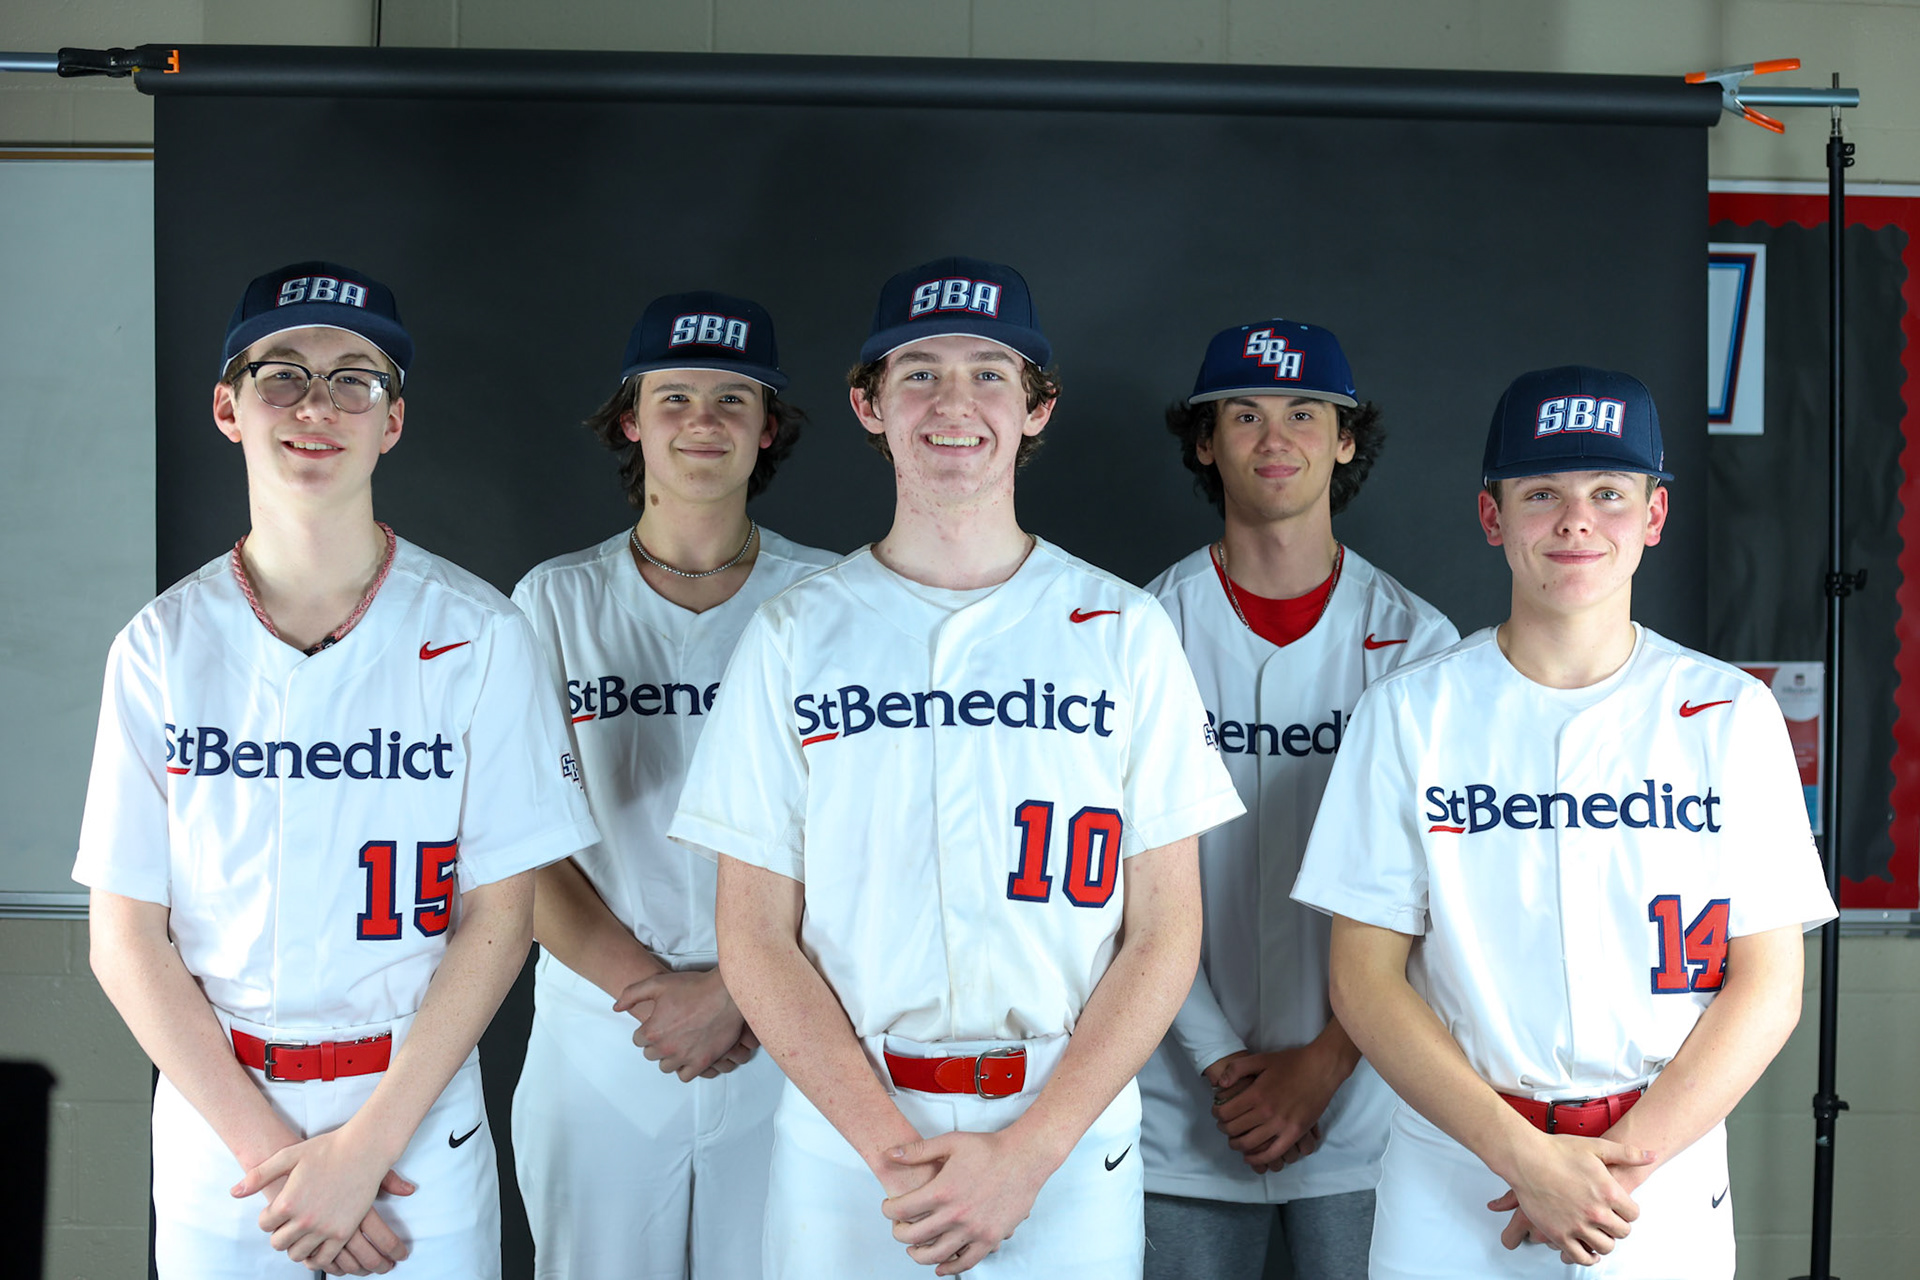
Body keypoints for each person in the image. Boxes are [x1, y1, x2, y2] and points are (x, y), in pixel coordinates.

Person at [668, 255, 1245, 1278]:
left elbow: (1167, 928)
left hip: (1062, 1131)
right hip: (849, 1138)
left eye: (990, 371)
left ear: (1038, 407)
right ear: (868, 403)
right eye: (919, 371)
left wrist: (1025, 1155)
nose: (954, 402)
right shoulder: (796, 630)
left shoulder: (1125, 627)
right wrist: (895, 1156)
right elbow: (752, 933)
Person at [74, 262, 599, 1277]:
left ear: (392, 420)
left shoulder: (480, 634)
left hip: (412, 1115)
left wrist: (362, 1152)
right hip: (221, 1118)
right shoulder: (160, 645)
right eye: (283, 374)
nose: (317, 406)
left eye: (354, 378)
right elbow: (124, 934)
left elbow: (502, 915)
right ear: (228, 407)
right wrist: (283, 1160)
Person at [1292, 366, 1837, 1278]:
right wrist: (1528, 1162)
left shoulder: (1730, 712)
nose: (1577, 520)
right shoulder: (1409, 713)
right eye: (1541, 492)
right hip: (1458, 1163)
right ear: (1492, 517)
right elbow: (1363, 979)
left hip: (1659, 1162)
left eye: (1609, 493)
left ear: (1655, 517)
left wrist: (1612, 1170)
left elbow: (1771, 984)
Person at [508, 290, 839, 1279]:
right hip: (603, 1021)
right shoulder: (554, 599)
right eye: (676, 395)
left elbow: (864, 831)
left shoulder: (831, 597)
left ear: (768, 425)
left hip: (791, 1013)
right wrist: (656, 998)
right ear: (630, 419)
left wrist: (735, 991)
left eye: (734, 399)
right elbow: (517, 841)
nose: (704, 420)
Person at [1139, 320, 1457, 1278]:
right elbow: (1114, 877)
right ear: (1205, 441)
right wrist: (1219, 1064)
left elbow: (1441, 893)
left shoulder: (1419, 644)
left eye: (1304, 412)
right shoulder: (1141, 630)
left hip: (1367, 1101)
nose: (1275, 437)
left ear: (1346, 437)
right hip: (1184, 1098)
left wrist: (1322, 1066)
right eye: (1243, 414)